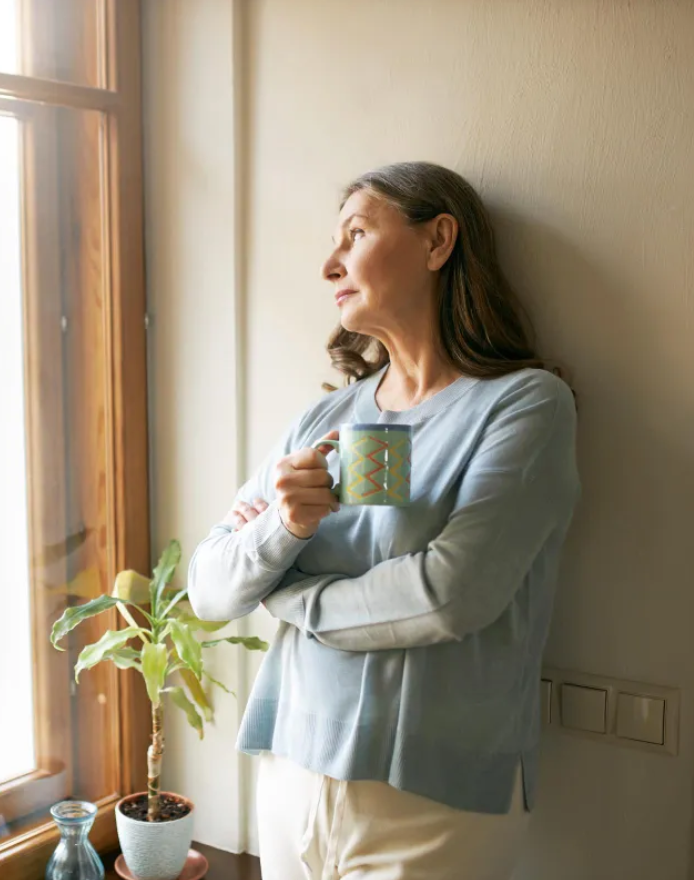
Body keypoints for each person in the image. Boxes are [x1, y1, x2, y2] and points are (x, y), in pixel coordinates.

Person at [186, 162, 580, 880]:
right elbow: (210, 589)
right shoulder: (327, 417)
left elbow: (449, 594)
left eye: (357, 233)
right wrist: (284, 530)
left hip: (436, 796)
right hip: (290, 770)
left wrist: (292, 597)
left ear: (439, 242)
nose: (330, 262)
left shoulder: (527, 406)